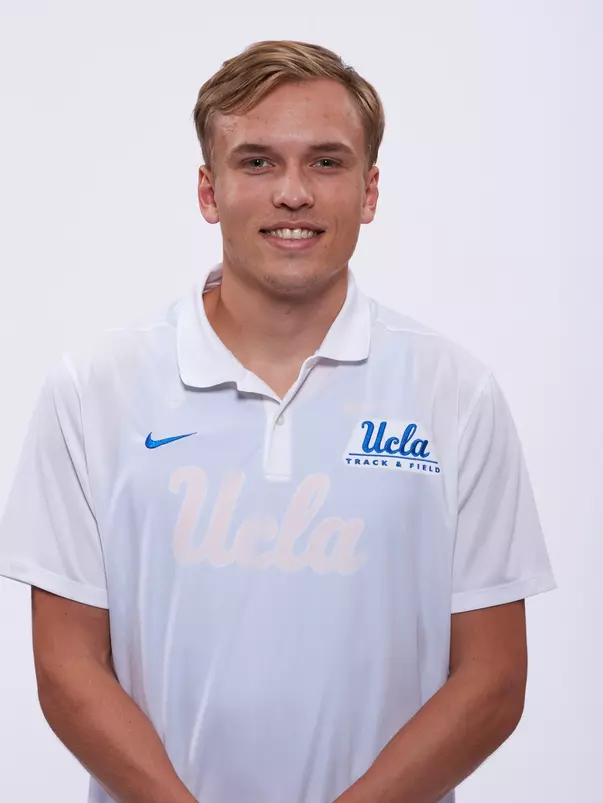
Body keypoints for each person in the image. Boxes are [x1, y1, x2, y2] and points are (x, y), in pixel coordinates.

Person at [0, 39, 557, 803]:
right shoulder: (94, 391)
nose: (291, 193)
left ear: (368, 191)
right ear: (208, 189)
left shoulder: (454, 393)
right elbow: (67, 669)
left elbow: (493, 680)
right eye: (256, 162)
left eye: (326, 162)